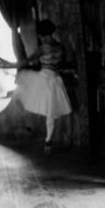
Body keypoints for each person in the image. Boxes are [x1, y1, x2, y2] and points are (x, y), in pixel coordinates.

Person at [14, 19, 72, 153]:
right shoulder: (60, 46)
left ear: (42, 34)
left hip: (44, 78)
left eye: (39, 34)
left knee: (23, 93)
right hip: (55, 79)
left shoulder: (43, 48)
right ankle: (48, 141)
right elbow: (62, 64)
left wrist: (8, 64)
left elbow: (26, 61)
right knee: (50, 114)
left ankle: (30, 127)